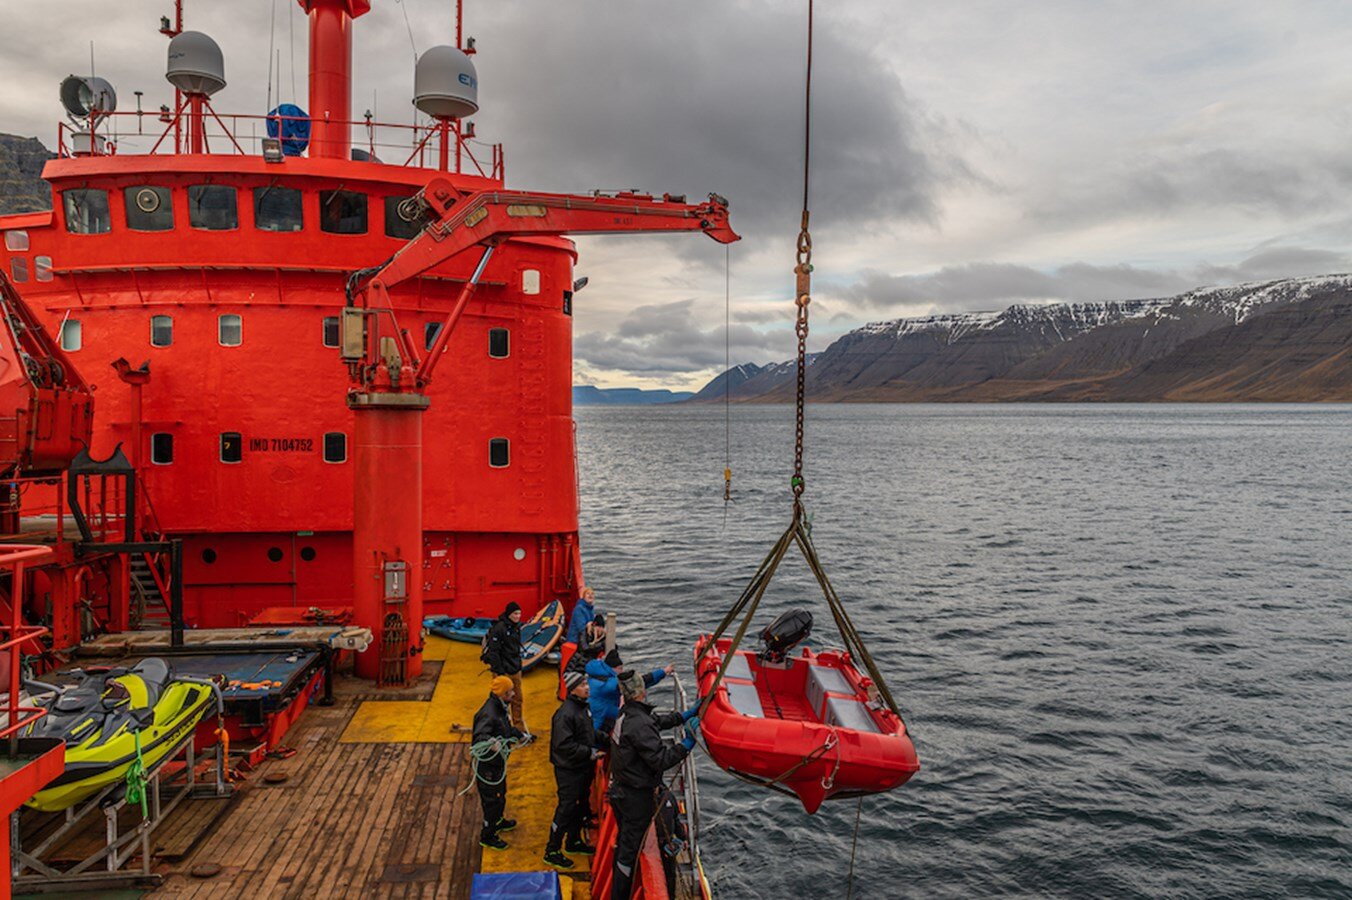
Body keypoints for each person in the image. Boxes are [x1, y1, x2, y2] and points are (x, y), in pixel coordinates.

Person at [608, 671, 699, 900]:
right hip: (635, 797)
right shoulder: (638, 723)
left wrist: (682, 716)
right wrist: (686, 744)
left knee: (625, 843)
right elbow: (661, 759)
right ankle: (619, 895)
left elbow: (655, 722)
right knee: (629, 851)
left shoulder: (628, 715)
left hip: (622, 790)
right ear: (642, 691)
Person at [543, 669, 602, 870]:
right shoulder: (565, 714)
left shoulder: (582, 709)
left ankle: (573, 841)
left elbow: (588, 732)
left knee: (579, 804)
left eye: (587, 684)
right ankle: (552, 850)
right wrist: (590, 753)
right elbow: (563, 746)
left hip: (581, 767)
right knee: (566, 807)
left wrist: (604, 738)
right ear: (572, 689)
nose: (587, 688)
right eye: (582, 685)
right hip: (569, 769)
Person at [473, 675, 526, 850]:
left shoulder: (500, 708)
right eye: (510, 691)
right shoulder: (489, 713)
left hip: (498, 763)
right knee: (491, 801)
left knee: (501, 793)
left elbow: (505, 728)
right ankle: (488, 835)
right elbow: (480, 737)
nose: (513, 693)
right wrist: (491, 743)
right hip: (488, 767)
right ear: (502, 694)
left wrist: (518, 735)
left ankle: (499, 820)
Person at [586, 651, 673, 737]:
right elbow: (636, 683)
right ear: (613, 668)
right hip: (600, 718)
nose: (621, 671)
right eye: (620, 668)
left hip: (601, 710)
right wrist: (663, 672)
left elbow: (637, 685)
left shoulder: (599, 676)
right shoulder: (608, 685)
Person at [484, 601, 526, 733]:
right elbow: (494, 651)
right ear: (509, 614)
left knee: (517, 698)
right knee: (501, 701)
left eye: (519, 613)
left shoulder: (516, 627)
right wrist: (499, 671)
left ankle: (518, 727)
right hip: (504, 670)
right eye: (515, 613)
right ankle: (501, 727)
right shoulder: (499, 629)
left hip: (514, 668)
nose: (518, 616)